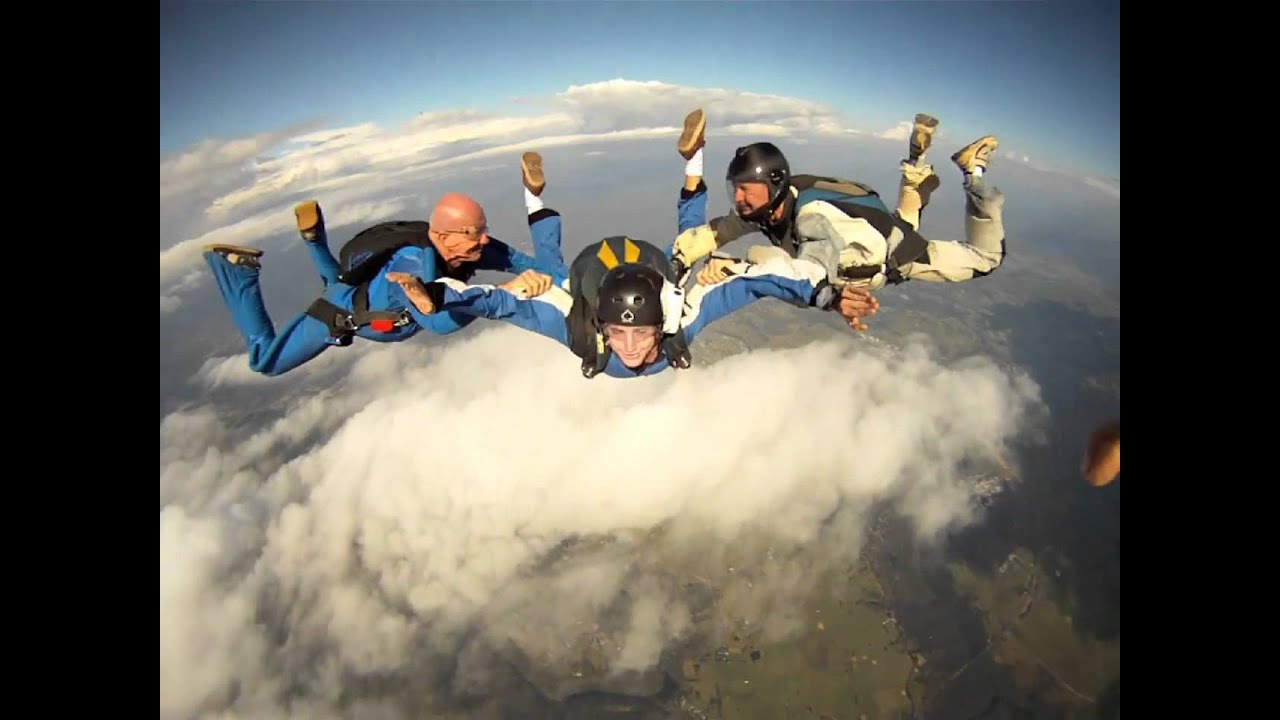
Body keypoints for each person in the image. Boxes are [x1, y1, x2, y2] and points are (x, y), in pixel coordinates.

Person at [386, 111, 879, 379]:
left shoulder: (612, 324)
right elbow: (496, 302)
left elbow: (758, 279)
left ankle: (688, 160)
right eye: (621, 334)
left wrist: (827, 295)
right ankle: (540, 193)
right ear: (601, 325)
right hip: (613, 270)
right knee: (570, 272)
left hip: (633, 267)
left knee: (573, 272)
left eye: (639, 334)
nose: (628, 348)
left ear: (659, 322)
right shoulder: (613, 323)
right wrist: (438, 297)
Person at [201, 192, 565, 377]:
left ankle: (313, 238)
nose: (484, 240)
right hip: (341, 313)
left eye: (484, 230)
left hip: (354, 290)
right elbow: (439, 322)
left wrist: (572, 282)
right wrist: (507, 291)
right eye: (474, 232)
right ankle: (237, 271)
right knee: (265, 361)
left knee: (336, 279)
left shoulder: (466, 248)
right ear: (442, 235)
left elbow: (529, 264)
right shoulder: (411, 266)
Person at [670, 113, 1008, 303]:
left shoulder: (812, 218)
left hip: (892, 257)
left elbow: (808, 273)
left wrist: (739, 268)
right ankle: (916, 157)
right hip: (876, 234)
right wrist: (680, 259)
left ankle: (974, 172)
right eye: (736, 189)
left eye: (747, 189)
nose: (740, 198)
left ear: (772, 183)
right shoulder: (772, 203)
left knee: (986, 259)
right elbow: (719, 230)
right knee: (906, 219)